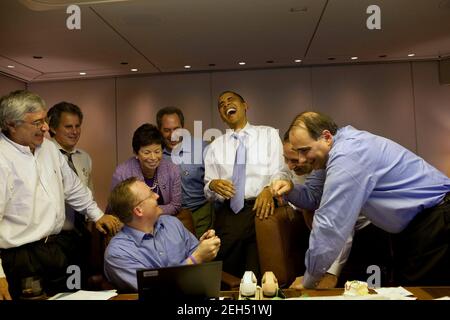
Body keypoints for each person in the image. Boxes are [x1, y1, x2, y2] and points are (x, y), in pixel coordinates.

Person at [272, 111, 450, 288]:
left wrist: (309, 280)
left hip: (436, 219)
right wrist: (291, 188)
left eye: (304, 150)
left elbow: (330, 224)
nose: (301, 160)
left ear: (326, 137)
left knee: (420, 293)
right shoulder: (329, 154)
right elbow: (312, 197)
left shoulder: (348, 155)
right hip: (414, 227)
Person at [0, 90, 120, 300]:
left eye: (44, 120)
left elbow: (72, 187)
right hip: (20, 256)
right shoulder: (2, 159)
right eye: (37, 123)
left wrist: (97, 215)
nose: (45, 128)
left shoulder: (48, 148)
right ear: (12, 124)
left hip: (53, 248)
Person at [204, 91, 286, 278]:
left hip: (261, 208)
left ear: (245, 105)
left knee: (254, 272)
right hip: (228, 213)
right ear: (221, 115)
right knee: (231, 273)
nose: (225, 105)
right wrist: (212, 185)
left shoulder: (269, 134)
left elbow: (281, 171)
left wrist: (268, 189)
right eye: (221, 104)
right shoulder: (214, 146)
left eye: (230, 100)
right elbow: (207, 188)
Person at [281, 134, 374, 289]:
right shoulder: (307, 171)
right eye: (287, 159)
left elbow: (339, 223)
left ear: (308, 155)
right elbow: (309, 199)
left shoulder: (336, 169)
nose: (290, 166)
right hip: (330, 243)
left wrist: (329, 274)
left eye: (295, 160)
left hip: (366, 236)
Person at [104, 177, 221, 292]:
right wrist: (196, 258)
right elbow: (156, 290)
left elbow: (196, 257)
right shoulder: (118, 253)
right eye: (150, 194)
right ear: (139, 210)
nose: (157, 196)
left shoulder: (172, 223)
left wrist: (204, 247)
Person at [47, 102, 93, 285]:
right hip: (54, 239)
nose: (74, 131)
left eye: (77, 126)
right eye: (68, 126)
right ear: (52, 128)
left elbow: (89, 194)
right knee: (58, 288)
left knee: (78, 285)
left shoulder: (84, 158)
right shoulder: (43, 157)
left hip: (79, 236)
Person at [156, 106, 212, 238]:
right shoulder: (154, 154)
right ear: (159, 130)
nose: (172, 135)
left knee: (203, 253)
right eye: (166, 130)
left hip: (201, 212)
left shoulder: (202, 147)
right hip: (170, 216)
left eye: (176, 129)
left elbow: (214, 182)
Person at [110, 123, 181, 216]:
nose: (153, 157)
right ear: (136, 153)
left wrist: (150, 212)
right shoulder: (122, 173)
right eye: (147, 152)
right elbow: (116, 209)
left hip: (163, 221)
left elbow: (176, 205)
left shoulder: (172, 170)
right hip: (132, 225)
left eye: (157, 151)